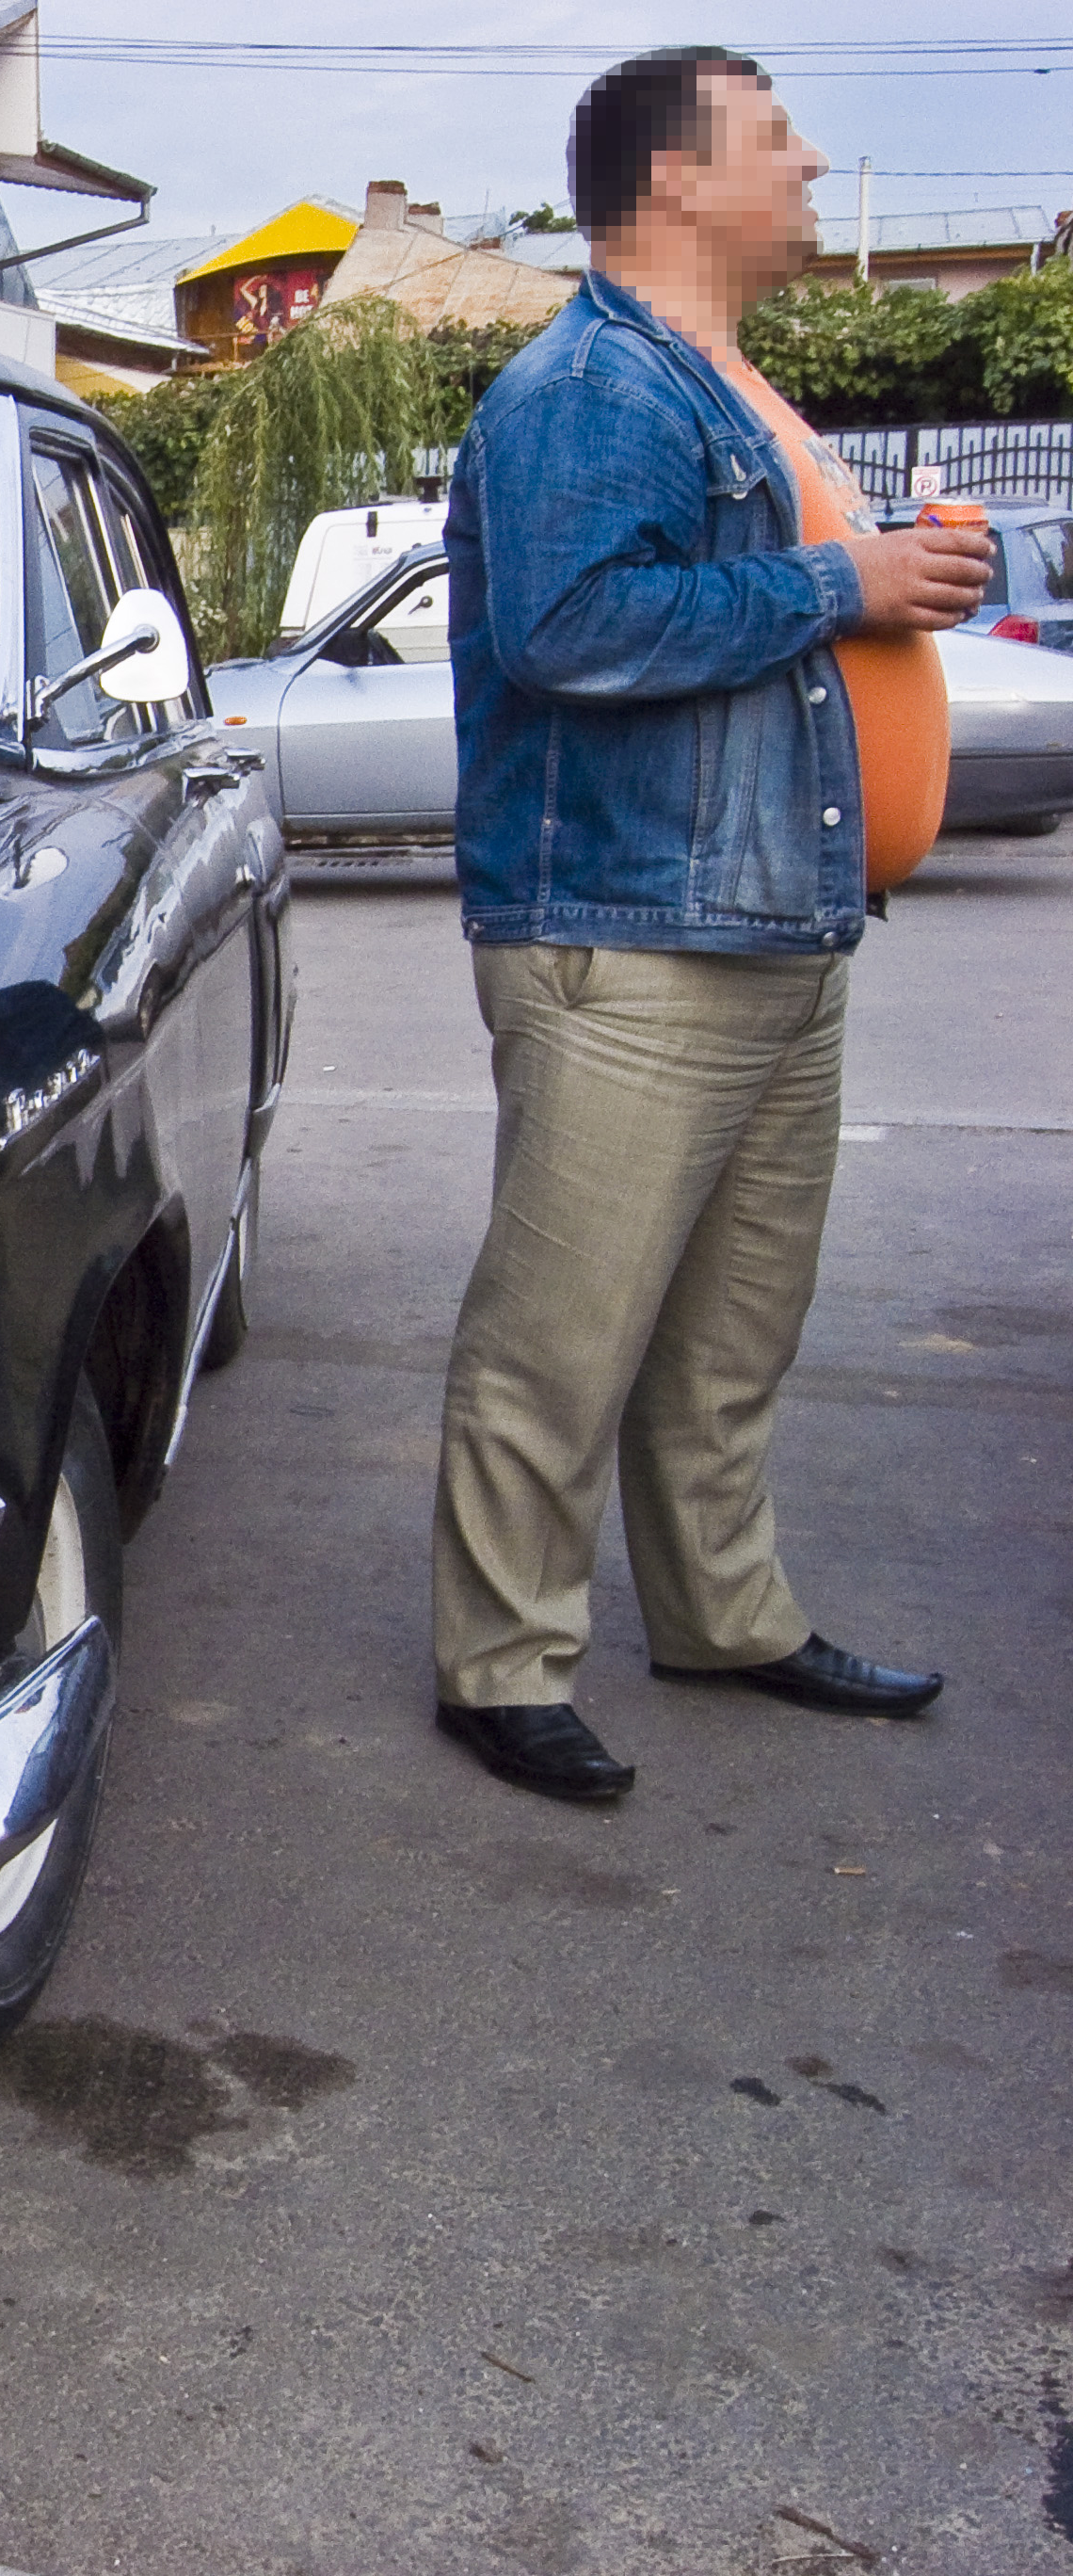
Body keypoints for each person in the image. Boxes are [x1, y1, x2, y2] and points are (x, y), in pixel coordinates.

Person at [428, 47, 989, 1802]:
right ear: (675, 182)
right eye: (777, 138)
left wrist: (873, 574)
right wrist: (848, 581)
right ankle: (498, 1663)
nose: (816, 159)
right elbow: (575, 629)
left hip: (766, 926)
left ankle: (725, 1613)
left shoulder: (719, 379)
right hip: (627, 938)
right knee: (566, 1333)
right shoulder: (590, 385)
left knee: (733, 1329)